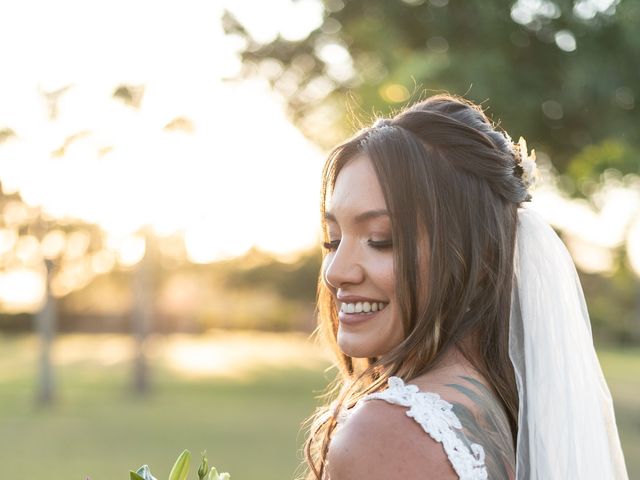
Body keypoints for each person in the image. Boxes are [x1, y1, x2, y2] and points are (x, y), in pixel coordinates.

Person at [301, 94, 629, 479]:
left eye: (381, 239)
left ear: (479, 260)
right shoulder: (511, 417)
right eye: (334, 241)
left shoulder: (384, 434)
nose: (336, 272)